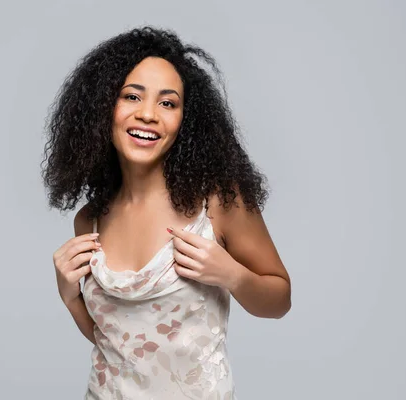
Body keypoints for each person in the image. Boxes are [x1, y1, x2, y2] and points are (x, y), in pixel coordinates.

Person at [42, 26, 291, 399]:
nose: (148, 115)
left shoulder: (218, 204)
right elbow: (116, 346)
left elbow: (280, 301)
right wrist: (70, 296)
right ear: (102, 108)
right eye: (131, 97)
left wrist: (233, 275)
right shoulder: (90, 219)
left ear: (185, 121)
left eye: (167, 103)